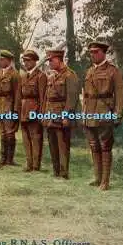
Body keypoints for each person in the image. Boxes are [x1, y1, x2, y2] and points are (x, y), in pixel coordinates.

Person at [83, 41, 123, 190]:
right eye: (91, 52)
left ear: (103, 53)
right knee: (94, 146)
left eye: (96, 52)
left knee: (105, 146)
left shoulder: (113, 71)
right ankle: (97, 177)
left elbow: (121, 95)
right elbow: (86, 95)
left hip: (104, 113)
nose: (93, 55)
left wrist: (118, 115)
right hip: (89, 114)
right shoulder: (89, 71)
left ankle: (105, 182)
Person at [42, 50, 79, 179]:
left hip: (62, 114)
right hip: (51, 114)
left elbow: (72, 98)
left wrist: (66, 116)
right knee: (52, 144)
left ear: (59, 59)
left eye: (51, 60)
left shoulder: (70, 75)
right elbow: (48, 97)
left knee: (63, 145)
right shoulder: (52, 76)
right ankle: (56, 171)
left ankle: (64, 173)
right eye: (49, 61)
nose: (50, 63)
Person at [17, 49, 47, 172]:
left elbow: (42, 97)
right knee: (25, 138)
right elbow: (20, 96)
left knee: (36, 137)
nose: (26, 63)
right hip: (24, 110)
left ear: (35, 61)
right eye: (24, 61)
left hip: (34, 109)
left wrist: (41, 113)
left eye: (28, 61)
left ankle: (35, 165)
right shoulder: (23, 76)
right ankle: (29, 163)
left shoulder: (41, 76)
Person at [0, 50, 20, 168]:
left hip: (9, 107)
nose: (0, 61)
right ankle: (3, 157)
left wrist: (15, 110)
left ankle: (10, 159)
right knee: (2, 133)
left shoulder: (14, 74)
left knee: (10, 133)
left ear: (9, 60)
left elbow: (17, 94)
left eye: (2, 59)